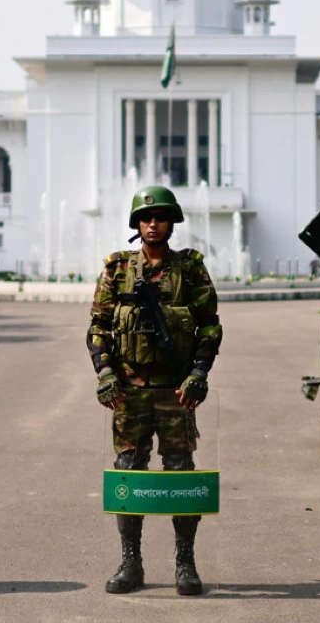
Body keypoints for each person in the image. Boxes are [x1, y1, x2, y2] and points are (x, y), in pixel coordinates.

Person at [87, 185, 222, 596]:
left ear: (172, 222)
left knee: (180, 472)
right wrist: (106, 375)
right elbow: (98, 329)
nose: (152, 224)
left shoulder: (191, 269)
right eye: (146, 218)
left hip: (176, 391)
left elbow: (210, 326)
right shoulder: (116, 269)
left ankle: (185, 563)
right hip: (130, 391)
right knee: (129, 471)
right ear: (136, 224)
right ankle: (131, 563)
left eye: (160, 217)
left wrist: (198, 373)